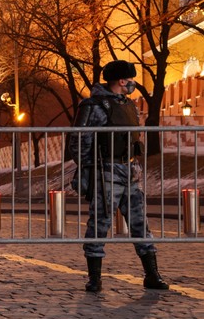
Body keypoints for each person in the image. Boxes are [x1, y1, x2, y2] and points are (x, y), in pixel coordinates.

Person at [69, 60, 169, 292]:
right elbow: (79, 142)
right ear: (122, 80)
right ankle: (95, 279)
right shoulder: (93, 105)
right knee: (100, 223)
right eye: (131, 79)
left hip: (130, 172)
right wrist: (90, 167)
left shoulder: (129, 105)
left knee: (140, 223)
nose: (134, 83)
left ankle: (152, 275)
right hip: (106, 172)